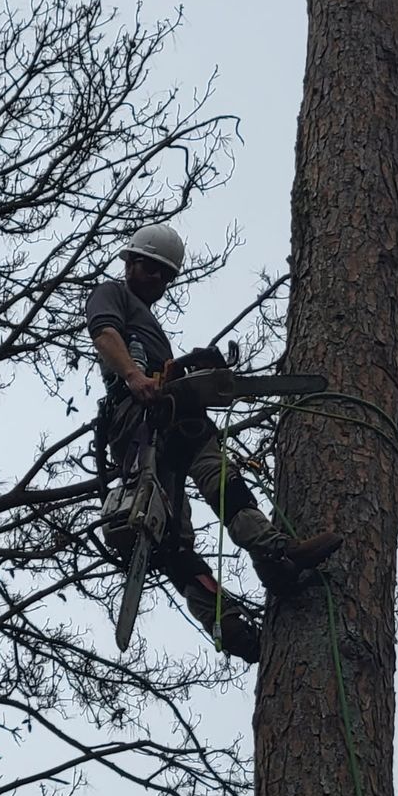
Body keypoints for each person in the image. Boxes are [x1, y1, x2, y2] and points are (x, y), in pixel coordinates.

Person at [86, 223, 342, 663]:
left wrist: (188, 373)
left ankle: (273, 554)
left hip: (175, 415)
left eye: (167, 277)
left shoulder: (151, 325)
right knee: (170, 540)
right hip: (138, 425)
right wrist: (134, 377)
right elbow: (104, 335)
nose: (160, 284)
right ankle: (227, 624)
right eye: (154, 272)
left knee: (217, 474)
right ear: (132, 262)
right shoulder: (111, 294)